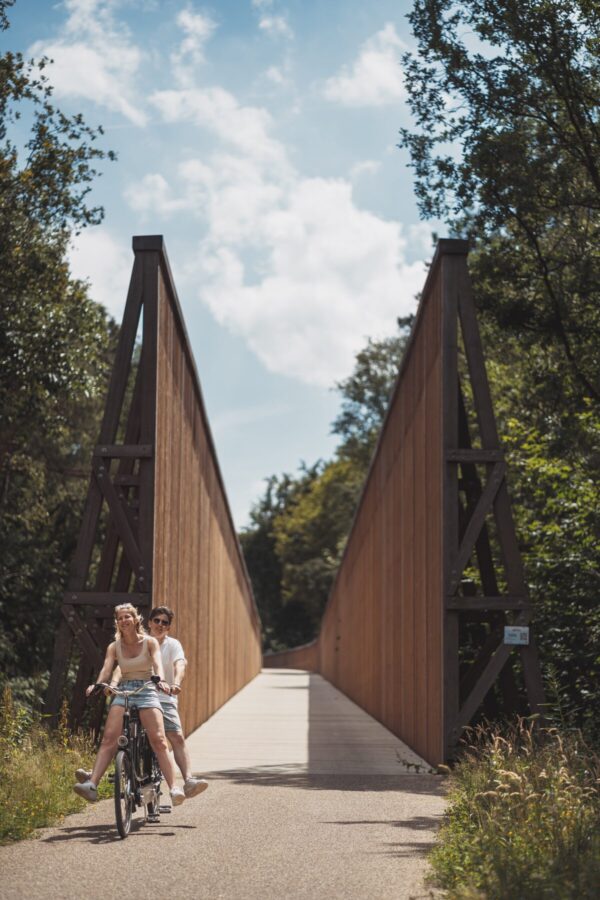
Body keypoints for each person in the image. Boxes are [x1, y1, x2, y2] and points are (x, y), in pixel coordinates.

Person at [73, 603, 187, 807]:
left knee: (159, 740)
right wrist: (99, 684)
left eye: (128, 616)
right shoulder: (114, 646)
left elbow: (158, 664)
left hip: (147, 689)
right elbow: (107, 668)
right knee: (109, 739)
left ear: (136, 620)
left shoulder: (150, 642)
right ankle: (92, 785)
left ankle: (174, 789)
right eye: (120, 618)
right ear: (117, 623)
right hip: (124, 690)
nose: (124, 620)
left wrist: (159, 679)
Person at [112, 606, 208, 799]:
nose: (160, 625)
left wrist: (176, 683)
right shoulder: (139, 641)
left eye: (165, 623)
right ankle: (104, 771)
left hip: (164, 697)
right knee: (118, 734)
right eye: (157, 620)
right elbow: (121, 668)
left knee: (176, 737)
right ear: (149, 622)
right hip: (137, 693)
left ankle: (188, 780)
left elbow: (180, 664)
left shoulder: (173, 645)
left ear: (169, 627)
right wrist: (113, 684)